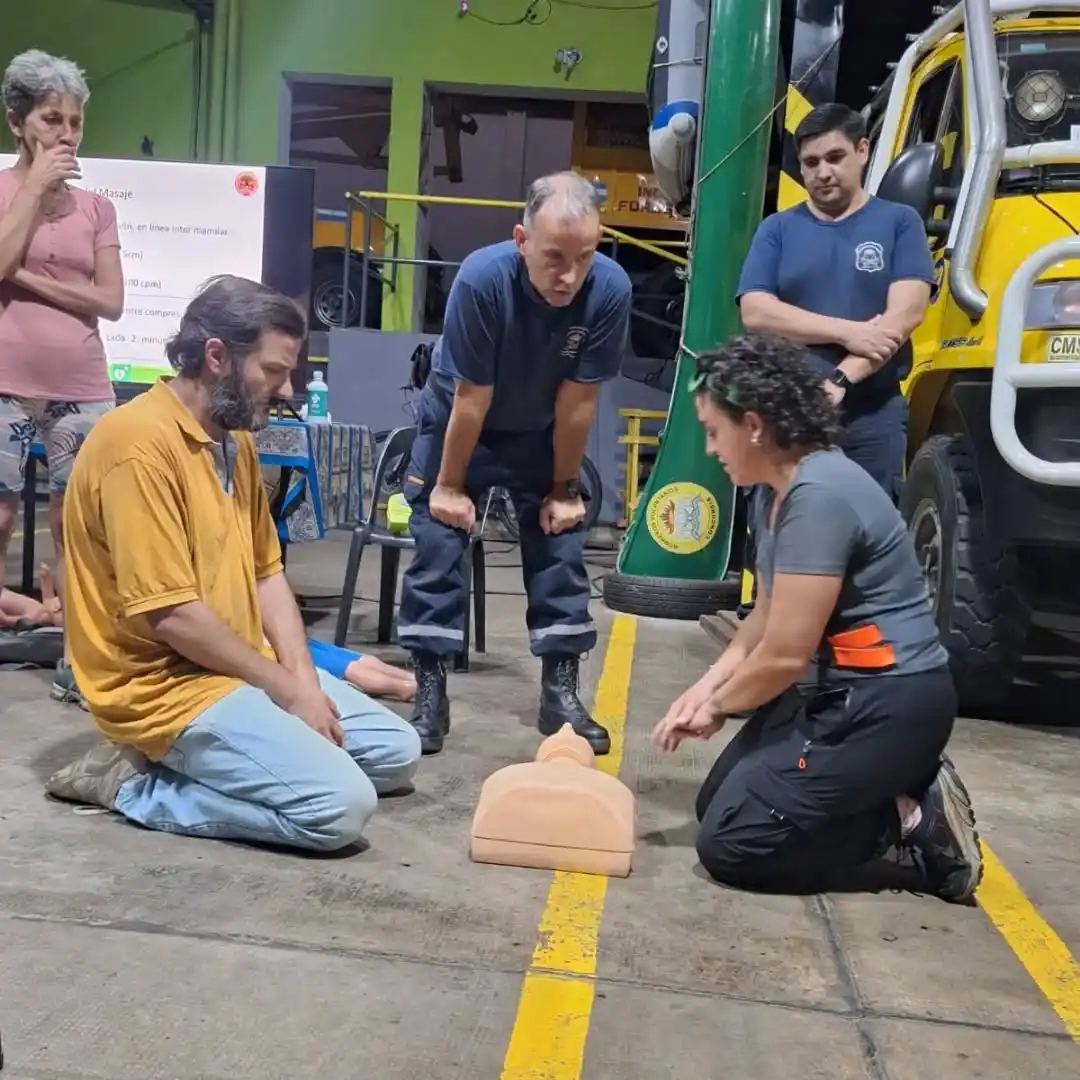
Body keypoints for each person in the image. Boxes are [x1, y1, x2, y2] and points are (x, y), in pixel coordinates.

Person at [44, 275, 422, 853]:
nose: (287, 388)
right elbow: (171, 617)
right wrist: (291, 695)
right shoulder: (137, 447)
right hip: (163, 690)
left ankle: (231, 758)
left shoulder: (233, 440)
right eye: (273, 371)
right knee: (338, 807)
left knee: (396, 753)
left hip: (237, 670)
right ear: (217, 356)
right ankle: (130, 785)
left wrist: (299, 681)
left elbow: (267, 573)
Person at [653, 334, 983, 904]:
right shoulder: (783, 489)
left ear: (753, 425)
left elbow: (783, 655)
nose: (710, 448)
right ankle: (881, 791)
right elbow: (765, 620)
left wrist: (719, 708)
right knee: (717, 807)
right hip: (841, 694)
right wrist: (704, 689)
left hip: (886, 704)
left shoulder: (819, 495)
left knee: (733, 843)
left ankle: (907, 819)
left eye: (713, 431)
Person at [396, 171, 631, 757]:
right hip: (460, 424)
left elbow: (578, 406)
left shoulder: (609, 290)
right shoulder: (482, 280)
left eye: (585, 256)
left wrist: (563, 489)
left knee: (561, 540)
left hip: (539, 428)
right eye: (554, 257)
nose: (570, 276)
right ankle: (429, 693)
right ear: (522, 239)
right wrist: (448, 487)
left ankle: (561, 696)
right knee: (437, 543)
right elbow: (472, 399)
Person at [0, 49, 124, 706]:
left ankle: (80, 655)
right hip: (3, 381)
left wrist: (23, 279)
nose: (68, 134)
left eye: (76, 121)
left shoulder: (97, 210)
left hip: (82, 384)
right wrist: (32, 191)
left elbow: (111, 301)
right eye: (53, 119)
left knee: (79, 523)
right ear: (19, 122)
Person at [736, 102, 935, 501]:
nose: (822, 172)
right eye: (811, 163)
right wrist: (849, 332)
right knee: (783, 529)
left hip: (873, 414)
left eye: (834, 157)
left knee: (868, 531)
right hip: (789, 413)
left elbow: (906, 312)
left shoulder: (899, 222)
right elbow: (756, 310)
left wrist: (841, 378)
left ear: (862, 151)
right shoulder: (777, 229)